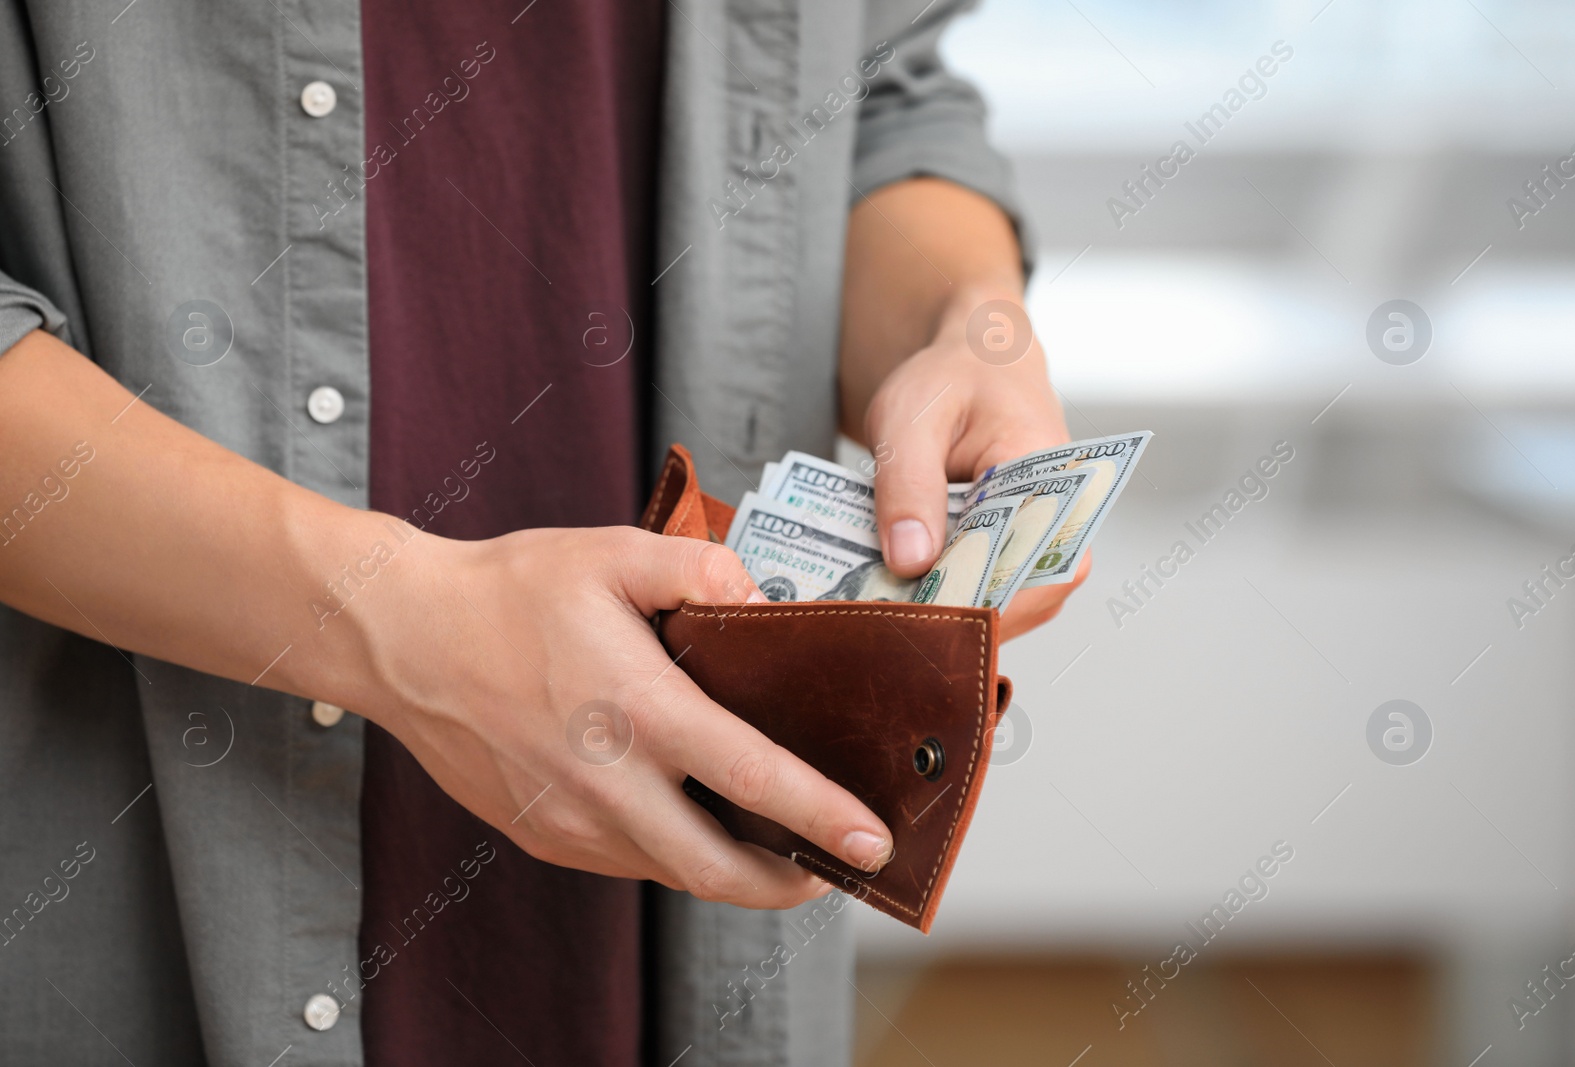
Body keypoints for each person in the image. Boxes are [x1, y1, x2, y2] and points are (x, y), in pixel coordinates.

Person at [0, 1, 1086, 1063]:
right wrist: (393, 623)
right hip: (125, 836)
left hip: (663, 917)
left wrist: (961, 319)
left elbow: (873, 89)